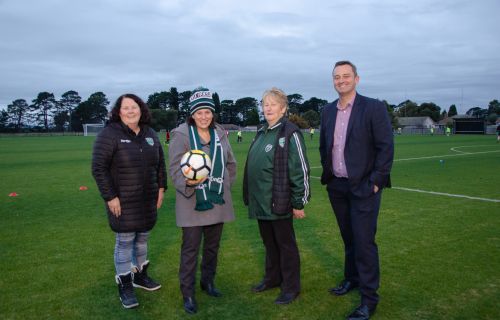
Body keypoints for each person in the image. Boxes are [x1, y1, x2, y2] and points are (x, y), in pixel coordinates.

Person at [319, 61, 394, 320]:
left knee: (364, 242)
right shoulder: (327, 111)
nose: (341, 80)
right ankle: (351, 279)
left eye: (346, 76)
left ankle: (369, 299)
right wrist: (328, 174)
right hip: (337, 186)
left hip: (364, 186)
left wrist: (376, 181)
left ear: (357, 79)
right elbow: (324, 146)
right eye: (337, 77)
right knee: (349, 238)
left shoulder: (373, 107)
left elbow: (386, 147)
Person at [91, 93, 166, 309]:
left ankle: (140, 276)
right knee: (124, 242)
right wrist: (110, 197)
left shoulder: (150, 133)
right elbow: (98, 168)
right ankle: (124, 284)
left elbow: (160, 164)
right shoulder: (109, 134)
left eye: (134, 107)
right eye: (126, 108)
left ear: (141, 109)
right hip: (122, 201)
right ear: (118, 111)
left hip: (147, 199)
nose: (131, 111)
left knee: (142, 239)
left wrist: (161, 188)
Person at [168, 87, 236, 314]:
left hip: (217, 200)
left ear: (213, 113)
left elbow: (231, 163)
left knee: (212, 247)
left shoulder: (220, 133)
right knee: (190, 250)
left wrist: (223, 185)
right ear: (192, 114)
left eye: (208, 112)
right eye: (199, 113)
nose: (204, 117)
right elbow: (175, 169)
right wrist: (188, 184)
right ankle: (187, 293)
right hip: (192, 202)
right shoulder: (181, 134)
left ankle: (208, 282)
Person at [243, 87, 310, 305]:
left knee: (285, 245)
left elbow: (300, 168)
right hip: (261, 201)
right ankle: (272, 278)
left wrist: (299, 202)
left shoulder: (290, 132)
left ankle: (291, 287)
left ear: (283, 108)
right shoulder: (262, 131)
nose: (268, 108)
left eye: (273, 104)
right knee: (269, 244)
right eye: (265, 104)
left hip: (279, 201)